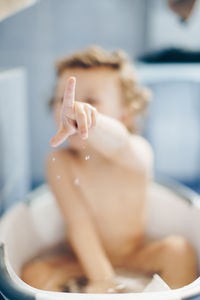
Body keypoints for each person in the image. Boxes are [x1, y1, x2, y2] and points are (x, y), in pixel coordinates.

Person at [22, 46, 197, 293]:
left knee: (178, 251)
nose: (73, 111)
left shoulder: (136, 153)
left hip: (136, 256)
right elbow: (79, 225)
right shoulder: (60, 162)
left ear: (125, 114)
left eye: (91, 102)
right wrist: (104, 281)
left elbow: (118, 140)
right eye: (65, 100)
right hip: (81, 261)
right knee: (34, 274)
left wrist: (93, 123)